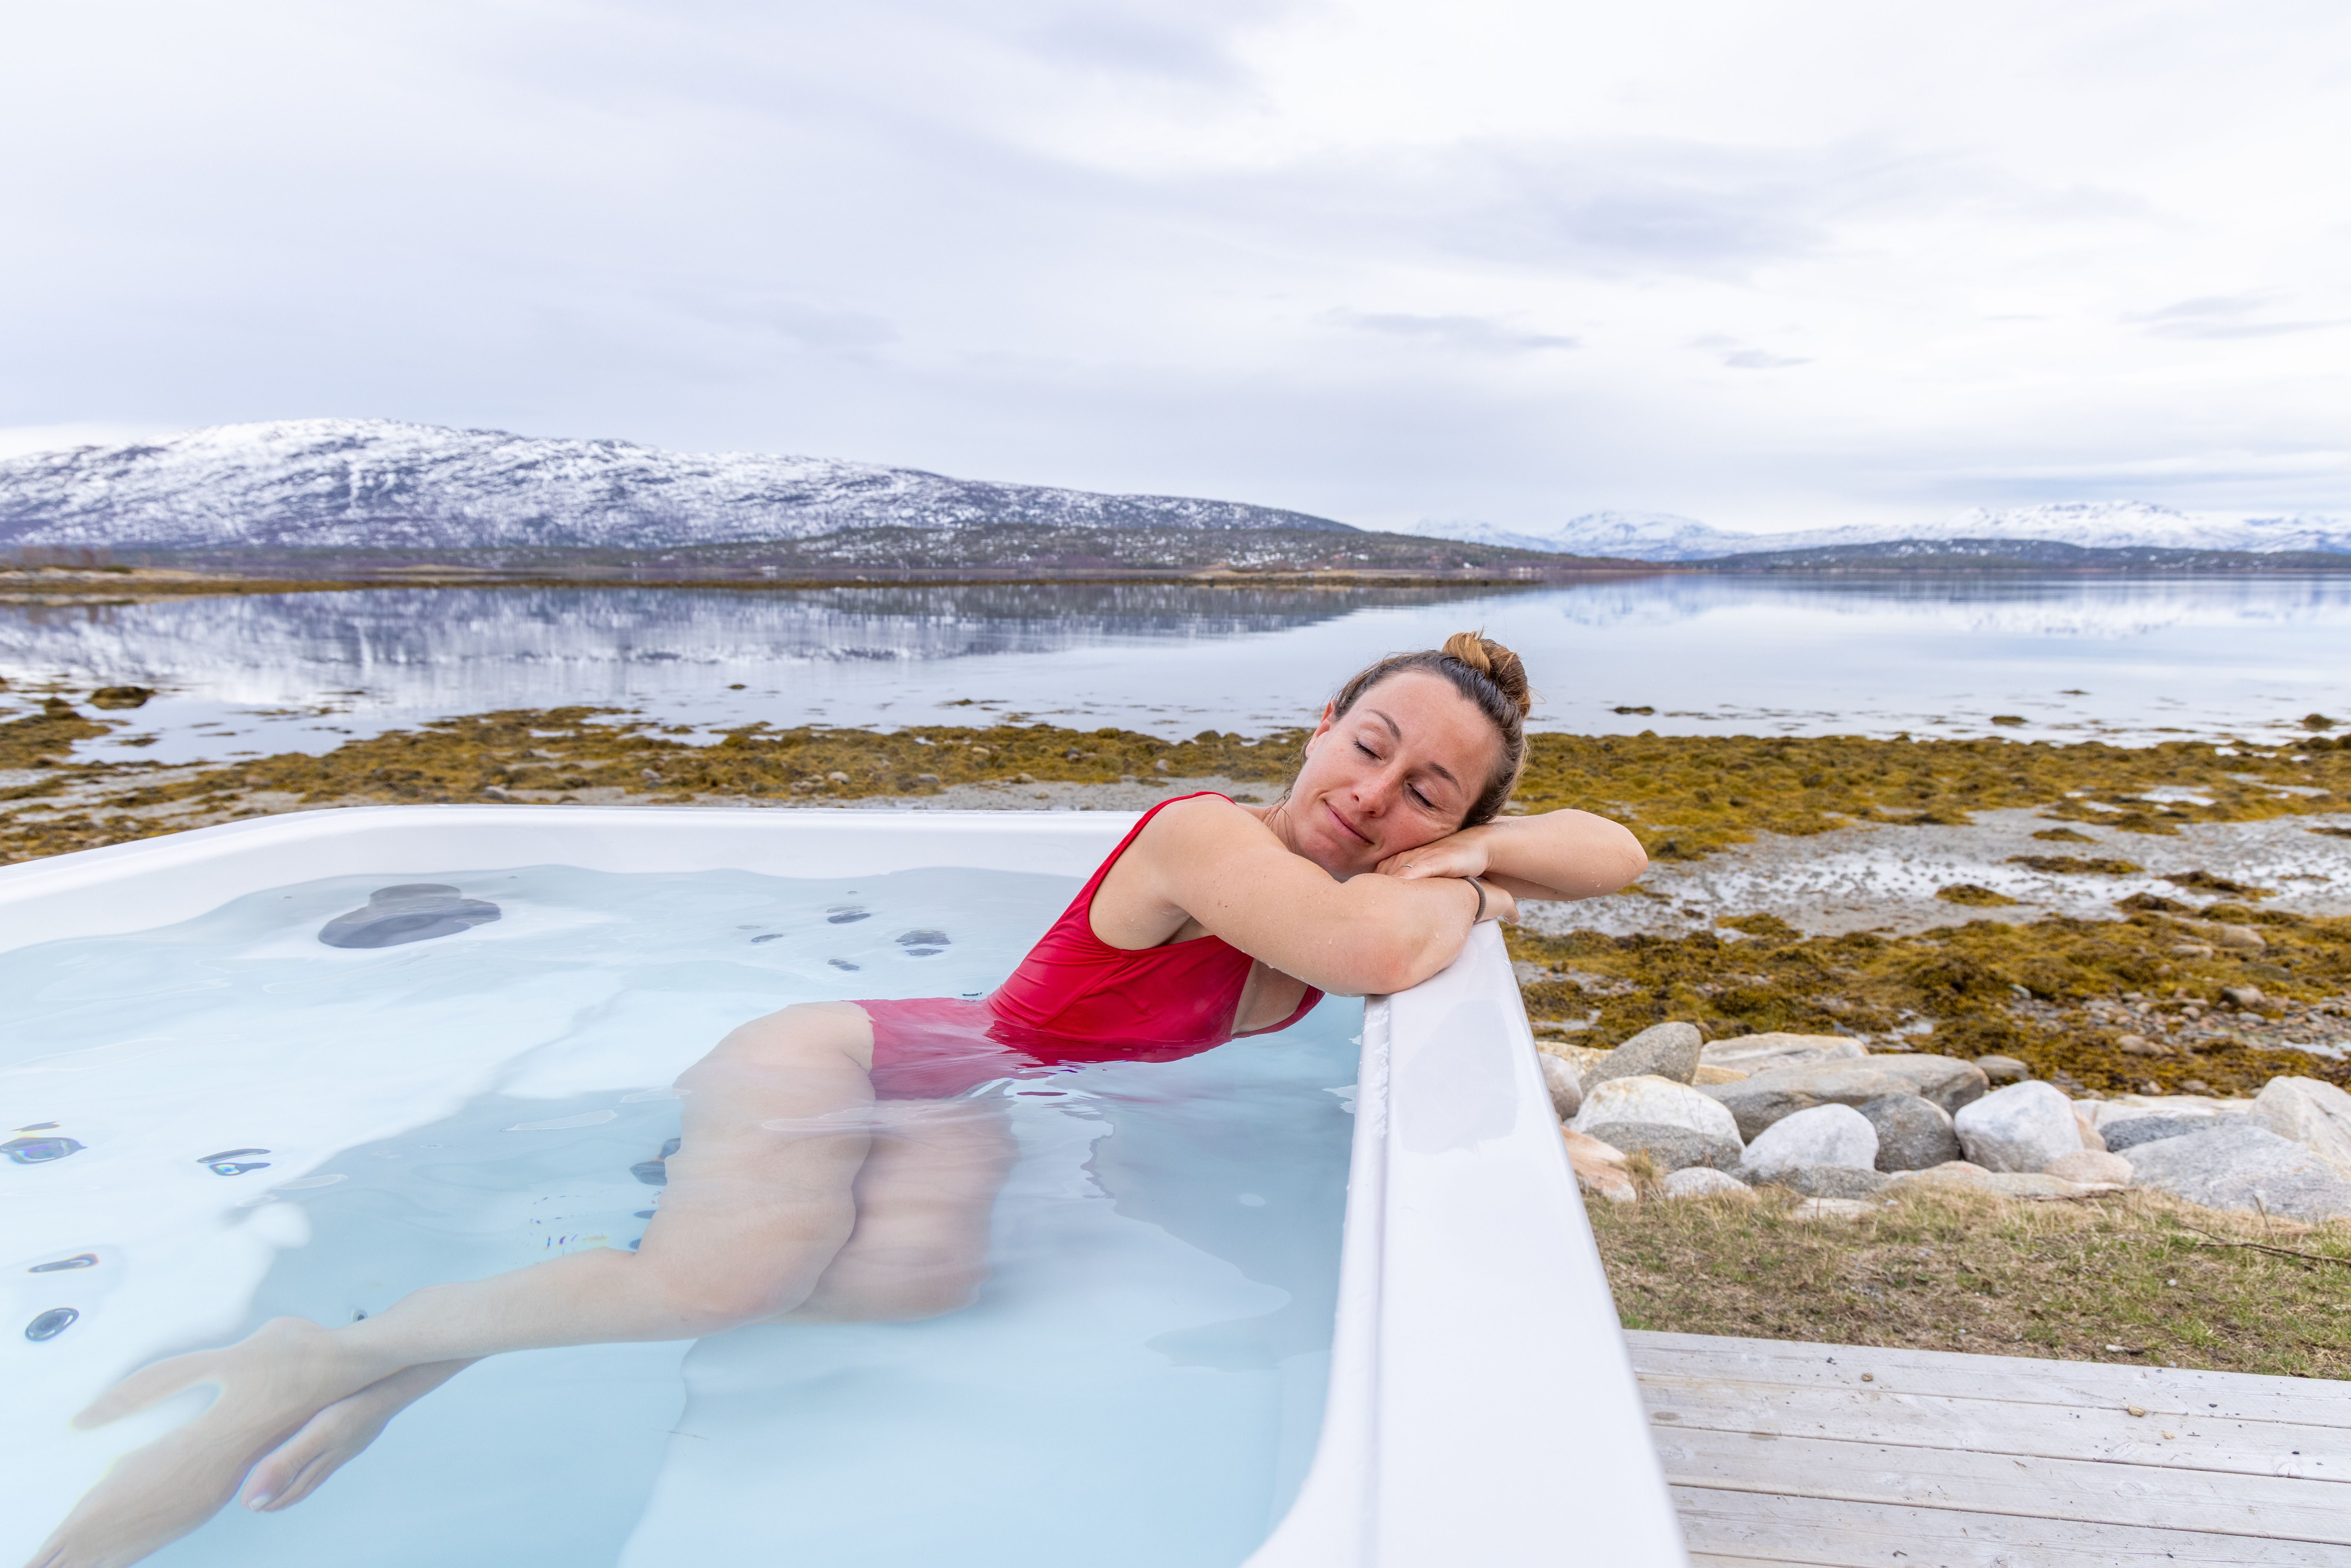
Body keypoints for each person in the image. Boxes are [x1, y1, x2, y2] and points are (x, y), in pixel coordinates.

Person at [29, 632, 1645, 1568]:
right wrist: (1459, 869)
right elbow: (1377, 951)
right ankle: (337, 1353)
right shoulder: (1207, 837)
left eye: (1424, 789)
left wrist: (1486, 854)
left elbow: (1619, 855)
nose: (1372, 797)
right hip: (864, 1050)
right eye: (1367, 748)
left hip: (982, 1091)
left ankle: (447, 1343)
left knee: (912, 1281)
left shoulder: (1406, 867)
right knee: (729, 1281)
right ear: (1318, 728)